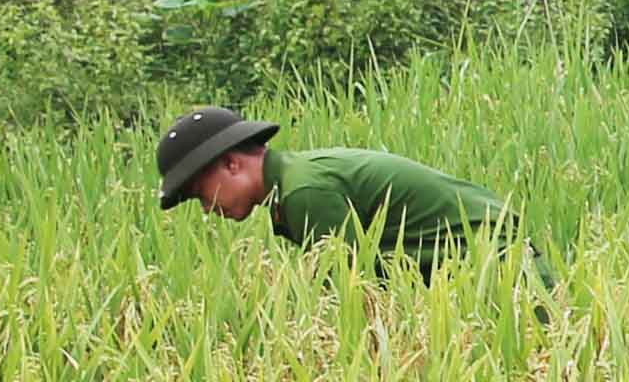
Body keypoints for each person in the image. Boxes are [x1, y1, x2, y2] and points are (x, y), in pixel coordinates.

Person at [156, 106, 511, 268]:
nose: (206, 208)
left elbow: (356, 296)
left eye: (202, 194)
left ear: (232, 164)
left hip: (498, 264)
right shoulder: (294, 181)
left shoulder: (303, 192)